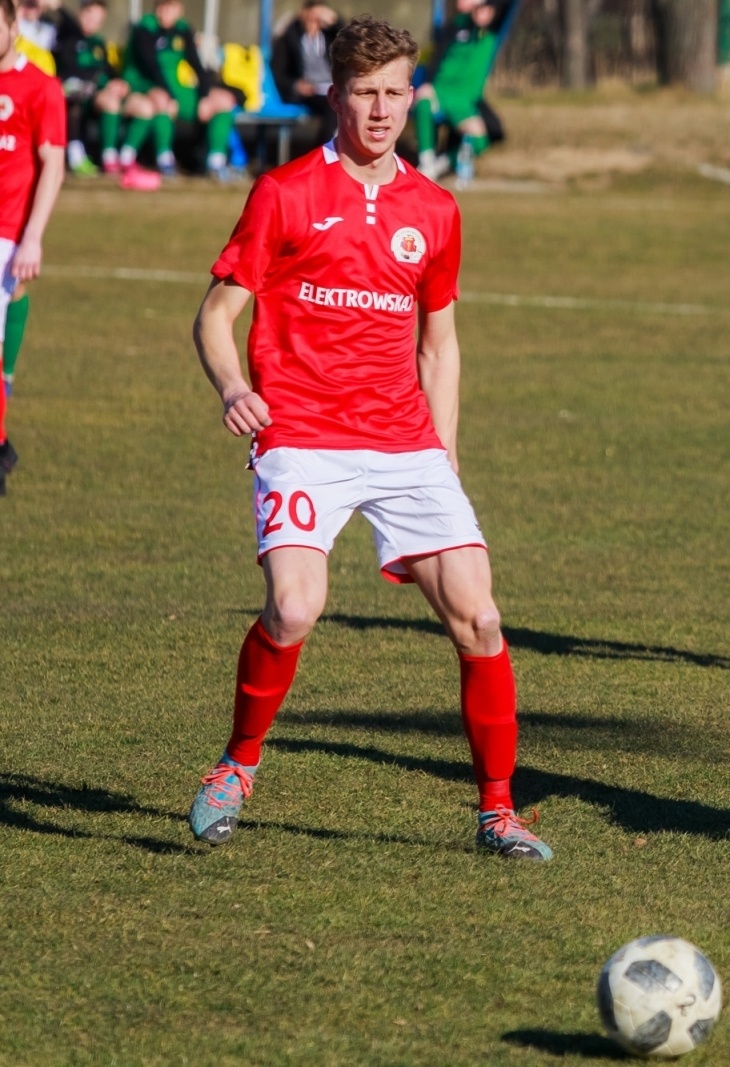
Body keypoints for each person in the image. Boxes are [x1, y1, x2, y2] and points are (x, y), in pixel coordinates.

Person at [187, 14, 551, 861]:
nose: (381, 111)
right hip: (302, 433)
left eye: (395, 93)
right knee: (295, 604)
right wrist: (235, 385)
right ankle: (237, 766)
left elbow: (441, 341)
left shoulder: (436, 208)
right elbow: (214, 316)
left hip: (405, 444)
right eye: (365, 93)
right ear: (335, 94)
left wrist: (446, 448)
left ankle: (499, 812)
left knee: (480, 616)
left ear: (413, 95)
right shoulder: (283, 194)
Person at [0, 0, 66, 483]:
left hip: (6, 232)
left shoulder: (40, 87)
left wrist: (33, 238)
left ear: (13, 26)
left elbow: (53, 163)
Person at [120, 0, 239, 180]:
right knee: (163, 102)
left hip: (175, 87)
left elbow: (197, 65)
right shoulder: (145, 28)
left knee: (223, 101)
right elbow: (149, 67)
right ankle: (164, 160)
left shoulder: (182, 29)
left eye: (171, 7)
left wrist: (205, 96)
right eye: (162, 7)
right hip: (145, 84)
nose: (165, 12)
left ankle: (216, 162)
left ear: (179, 9)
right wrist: (170, 95)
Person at [412, 0, 508, 185]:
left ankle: (441, 164)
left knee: (480, 140)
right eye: (480, 9)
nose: (483, 13)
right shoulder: (458, 27)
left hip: (464, 101)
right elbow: (438, 55)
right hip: (441, 92)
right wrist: (429, 84)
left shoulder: (493, 32)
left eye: (487, 9)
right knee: (423, 103)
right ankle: (426, 161)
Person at [51, 0, 120, 175]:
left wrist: (116, 82)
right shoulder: (67, 34)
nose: (91, 23)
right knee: (73, 101)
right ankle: (76, 155)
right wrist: (59, 7)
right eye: (88, 16)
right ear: (80, 14)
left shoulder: (98, 43)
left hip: (92, 95)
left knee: (111, 101)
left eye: (97, 20)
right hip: (68, 93)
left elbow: (108, 70)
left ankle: (109, 158)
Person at [272, 0, 342, 144]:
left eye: (318, 19)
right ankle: (324, 150)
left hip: (331, 85)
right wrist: (296, 85)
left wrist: (335, 19)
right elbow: (279, 72)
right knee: (333, 105)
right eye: (311, 17)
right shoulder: (290, 39)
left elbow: (348, 37)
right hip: (309, 90)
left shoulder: (330, 37)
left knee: (344, 101)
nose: (314, 22)